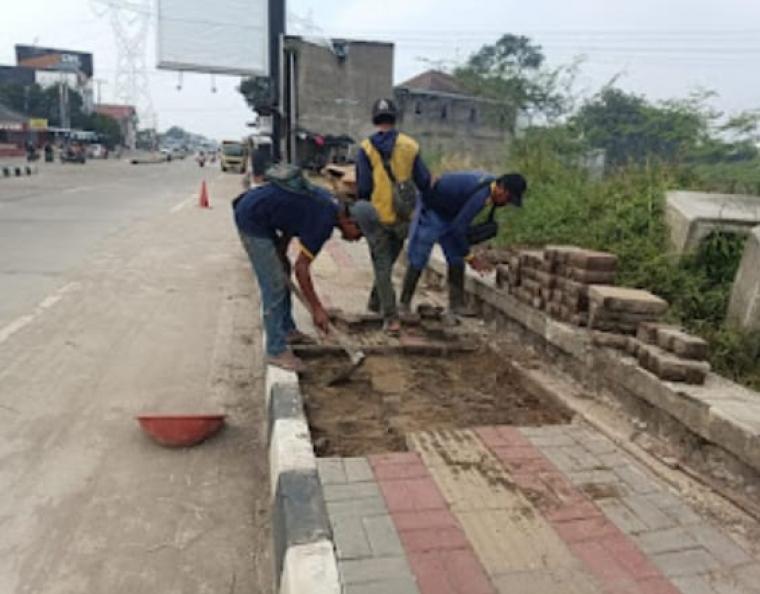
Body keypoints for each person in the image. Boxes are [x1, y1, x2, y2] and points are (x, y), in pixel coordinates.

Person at [233, 175, 363, 372]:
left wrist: (281, 252)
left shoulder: (329, 205)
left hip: (263, 215)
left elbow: (292, 219)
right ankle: (276, 350)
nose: (357, 240)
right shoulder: (324, 221)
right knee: (274, 284)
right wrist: (317, 308)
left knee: (282, 271)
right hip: (252, 218)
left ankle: (287, 331)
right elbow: (302, 269)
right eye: (359, 234)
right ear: (349, 220)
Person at [399, 171, 527, 318]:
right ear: (501, 188)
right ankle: (404, 304)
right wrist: (470, 257)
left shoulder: (489, 189)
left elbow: (458, 226)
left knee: (455, 257)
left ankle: (456, 304)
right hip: (432, 208)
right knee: (420, 254)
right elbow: (458, 229)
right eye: (508, 198)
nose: (506, 203)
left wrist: (465, 253)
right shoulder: (481, 195)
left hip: (449, 214)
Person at [353, 98, 432, 335]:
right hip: (403, 217)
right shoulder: (411, 145)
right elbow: (424, 181)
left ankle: (390, 317)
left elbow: (364, 187)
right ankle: (375, 303)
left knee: (382, 266)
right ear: (395, 118)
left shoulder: (366, 148)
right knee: (387, 262)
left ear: (375, 119)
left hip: (377, 215)